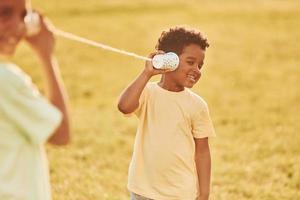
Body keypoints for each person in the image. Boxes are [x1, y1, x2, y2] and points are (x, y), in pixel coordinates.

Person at [118, 26, 216, 200]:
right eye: (191, 62)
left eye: (200, 65)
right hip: (143, 190)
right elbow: (124, 106)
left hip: (180, 193)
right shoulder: (147, 93)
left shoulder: (197, 105)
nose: (197, 70)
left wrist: (204, 194)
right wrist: (146, 73)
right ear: (169, 60)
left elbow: (202, 152)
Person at [0, 0, 70, 199]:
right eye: (4, 14)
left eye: (23, 15)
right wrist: (47, 57)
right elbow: (61, 133)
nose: (18, 26)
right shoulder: (6, 81)